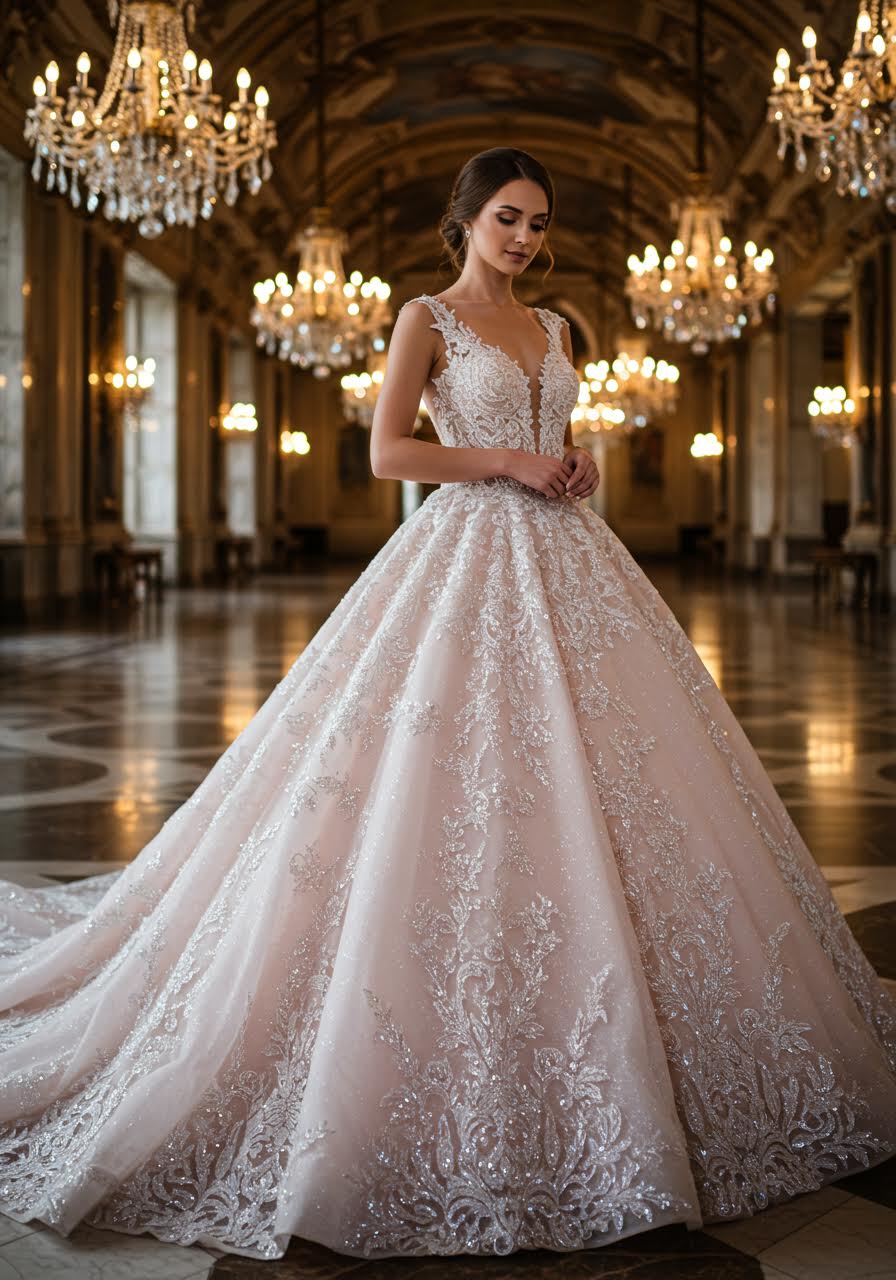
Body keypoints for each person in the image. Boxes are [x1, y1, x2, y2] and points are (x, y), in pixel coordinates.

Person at [0, 147, 894, 1263]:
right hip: (464, 554)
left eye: (538, 223)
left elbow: (560, 442)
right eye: (508, 217)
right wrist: (506, 463)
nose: (523, 238)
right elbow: (388, 453)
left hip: (572, 559)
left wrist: (572, 466)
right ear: (465, 218)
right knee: (438, 770)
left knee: (612, 775)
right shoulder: (424, 317)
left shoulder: (557, 326)